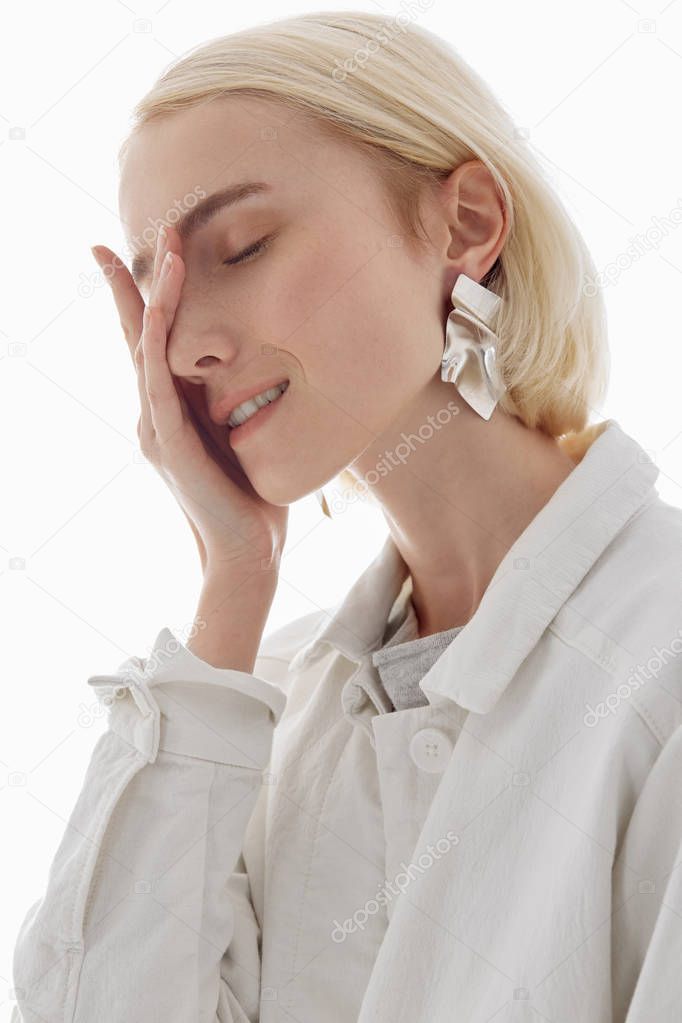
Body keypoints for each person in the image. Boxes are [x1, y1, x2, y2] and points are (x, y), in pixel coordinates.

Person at [11, 11, 682, 1022]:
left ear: (464, 225)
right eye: (157, 296)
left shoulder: (656, 655)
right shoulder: (262, 704)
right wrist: (231, 585)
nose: (184, 345)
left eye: (240, 247)